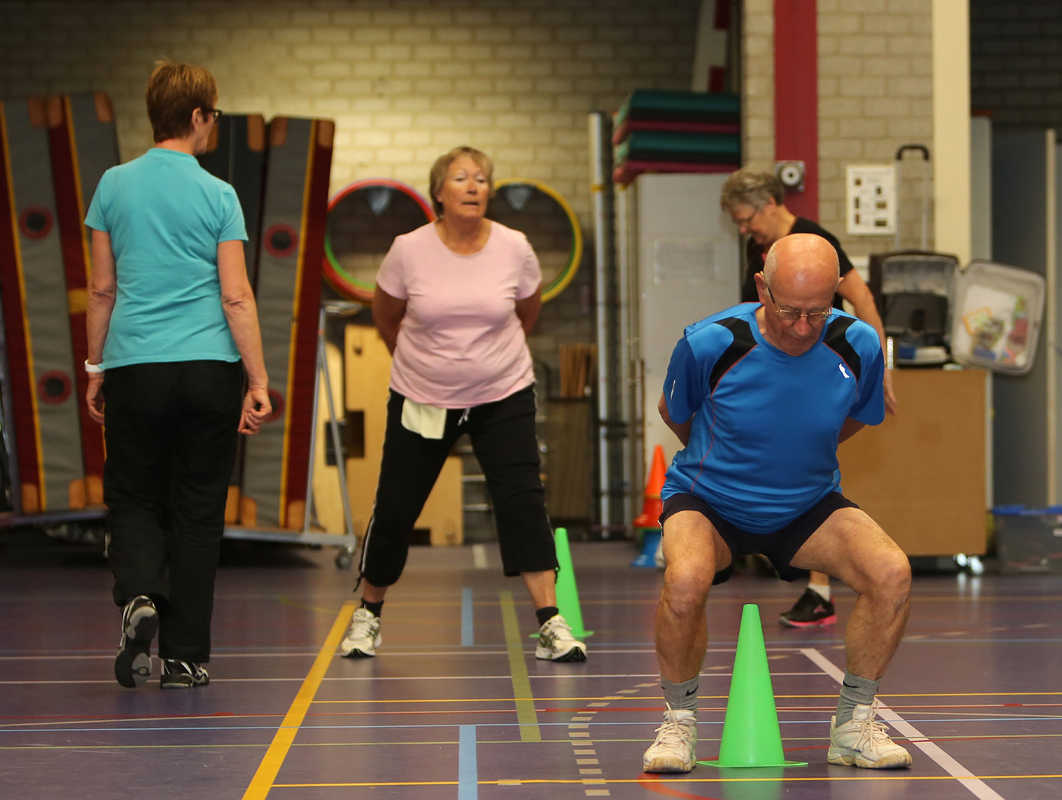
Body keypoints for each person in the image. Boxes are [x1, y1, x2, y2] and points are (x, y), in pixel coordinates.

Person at [642, 234, 912, 773]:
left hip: (807, 504)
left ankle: (853, 725)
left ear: (837, 293)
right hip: (708, 499)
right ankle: (679, 723)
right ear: (762, 287)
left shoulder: (857, 344)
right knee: (686, 581)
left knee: (892, 573)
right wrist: (731, 460)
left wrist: (796, 456)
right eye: (788, 309)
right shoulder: (709, 343)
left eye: (818, 311)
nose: (802, 326)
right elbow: (675, 414)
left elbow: (856, 417)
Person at [338, 145, 586, 663]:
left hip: (503, 394)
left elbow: (527, 312)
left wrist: (486, 364)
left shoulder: (515, 246)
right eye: (460, 178)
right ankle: (368, 615)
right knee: (397, 505)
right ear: (439, 193)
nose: (473, 186)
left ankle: (550, 623)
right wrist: (425, 367)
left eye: (481, 179)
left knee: (523, 504)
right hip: (423, 396)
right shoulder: (409, 248)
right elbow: (386, 315)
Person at [84, 61, 272, 690]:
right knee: (196, 512)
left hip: (135, 365)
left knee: (134, 496)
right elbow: (237, 296)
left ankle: (139, 596)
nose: (214, 123)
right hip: (207, 369)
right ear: (196, 118)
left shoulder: (112, 185)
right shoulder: (219, 194)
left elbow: (102, 290)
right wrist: (258, 381)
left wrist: (94, 368)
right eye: (213, 113)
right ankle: (187, 657)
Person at [721, 167, 897, 629]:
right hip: (772, 375)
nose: (743, 229)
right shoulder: (755, 250)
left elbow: (865, 301)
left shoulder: (816, 241)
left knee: (811, 466)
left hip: (815, 373)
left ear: (769, 204)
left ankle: (819, 587)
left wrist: (880, 371)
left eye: (745, 219)